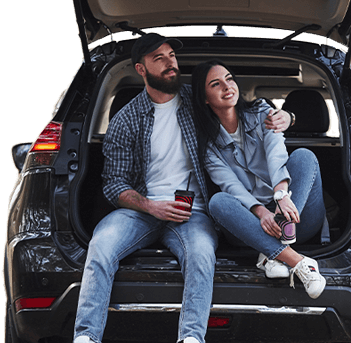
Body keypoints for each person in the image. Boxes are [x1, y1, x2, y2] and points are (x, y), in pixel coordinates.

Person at [73, 34, 291, 343]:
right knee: (101, 245)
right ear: (141, 69)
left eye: (171, 55)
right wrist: (151, 206)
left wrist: (285, 116)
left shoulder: (198, 101)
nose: (170, 63)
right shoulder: (126, 120)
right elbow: (113, 184)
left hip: (194, 212)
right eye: (158, 58)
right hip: (142, 210)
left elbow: (245, 110)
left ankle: (191, 338)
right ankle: (85, 337)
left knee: (201, 253)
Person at [191, 60, 327, 299]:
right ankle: (298, 262)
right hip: (250, 225)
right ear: (204, 99)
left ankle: (270, 253)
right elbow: (231, 185)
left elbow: (276, 154)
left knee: (304, 157)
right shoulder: (207, 145)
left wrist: (281, 196)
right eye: (216, 84)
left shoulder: (262, 112)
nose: (227, 86)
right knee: (219, 201)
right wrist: (262, 214)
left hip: (295, 218)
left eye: (229, 79)